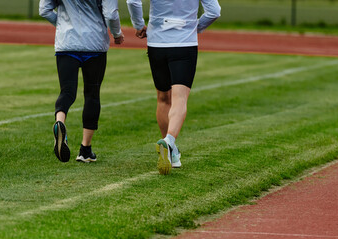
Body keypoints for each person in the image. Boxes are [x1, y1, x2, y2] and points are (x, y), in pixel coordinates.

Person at [127, 0, 221, 174]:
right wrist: (197, 27)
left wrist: (139, 25)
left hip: (157, 44)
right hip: (184, 43)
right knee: (179, 98)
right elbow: (214, 11)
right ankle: (169, 141)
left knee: (163, 98)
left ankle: (172, 152)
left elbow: (132, 1)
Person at [39, 0, 124, 163]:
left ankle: (59, 122)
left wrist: (62, 24)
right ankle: (85, 149)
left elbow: (44, 10)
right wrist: (117, 33)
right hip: (94, 43)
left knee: (67, 91)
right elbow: (111, 13)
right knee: (92, 93)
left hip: (67, 42)